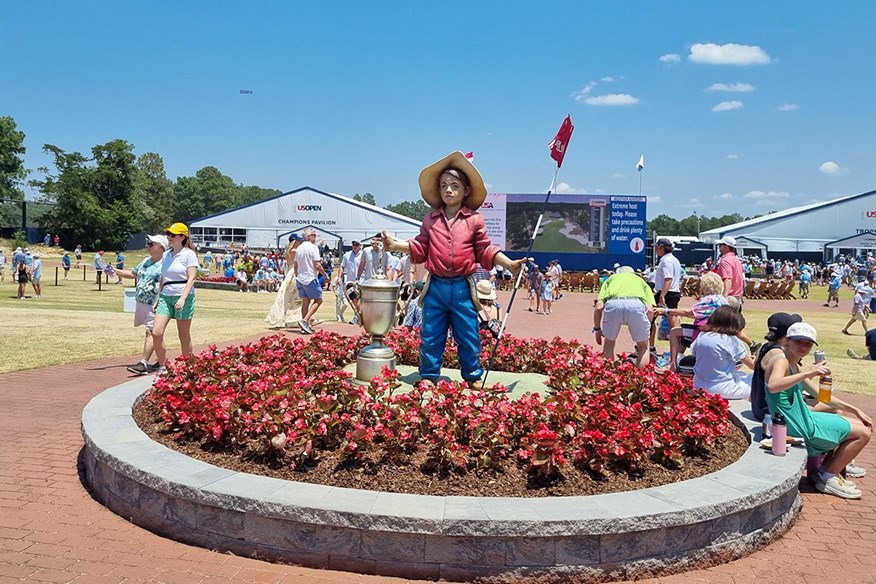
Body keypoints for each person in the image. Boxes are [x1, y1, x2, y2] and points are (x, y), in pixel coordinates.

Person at [382, 151, 525, 384]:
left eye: (455, 186)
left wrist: (509, 264)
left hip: (462, 288)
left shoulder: (474, 220)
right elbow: (421, 246)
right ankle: (428, 375)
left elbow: (485, 249)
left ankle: (472, 376)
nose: (448, 190)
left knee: (468, 333)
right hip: (435, 287)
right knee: (431, 334)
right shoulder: (430, 219)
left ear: (466, 191)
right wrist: (396, 244)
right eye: (444, 185)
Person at [764, 322, 872, 499]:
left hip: (802, 420)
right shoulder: (780, 361)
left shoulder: (793, 365)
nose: (804, 347)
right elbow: (773, 385)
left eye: (808, 343)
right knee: (863, 433)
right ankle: (828, 477)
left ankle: (824, 472)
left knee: (856, 423)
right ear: (787, 341)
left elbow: (822, 397)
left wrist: (855, 409)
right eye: (800, 342)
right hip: (795, 426)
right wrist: (809, 373)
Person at [654, 271, 728, 372]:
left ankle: (672, 364)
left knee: (674, 331)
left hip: (703, 332)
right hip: (719, 332)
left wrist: (666, 310)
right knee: (684, 333)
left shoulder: (707, 300)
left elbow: (688, 313)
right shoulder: (723, 300)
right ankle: (679, 359)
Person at [114, 235, 167, 375]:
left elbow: (166, 284)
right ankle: (162, 360)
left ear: (161, 247)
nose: (148, 246)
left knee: (152, 332)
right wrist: (115, 271)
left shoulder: (166, 264)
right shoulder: (146, 261)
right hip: (141, 301)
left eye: (151, 244)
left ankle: (143, 363)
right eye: (148, 243)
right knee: (154, 333)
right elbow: (133, 274)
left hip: (154, 303)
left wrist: (160, 300)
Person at [153, 223, 199, 373]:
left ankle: (189, 366)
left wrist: (183, 298)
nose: (169, 238)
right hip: (166, 295)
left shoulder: (189, 254)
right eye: (168, 235)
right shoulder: (166, 255)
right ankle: (162, 365)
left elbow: (192, 278)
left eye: (173, 235)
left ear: (182, 237)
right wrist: (158, 299)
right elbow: (163, 278)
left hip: (183, 294)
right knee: (156, 332)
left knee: (183, 335)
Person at [592, 266, 656, 368]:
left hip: (613, 304)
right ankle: (639, 378)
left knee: (609, 344)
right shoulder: (641, 281)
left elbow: (599, 307)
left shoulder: (611, 279)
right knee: (643, 346)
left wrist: (597, 329)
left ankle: (609, 375)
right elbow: (650, 309)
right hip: (636, 304)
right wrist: (645, 326)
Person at [690, 306, 755, 400]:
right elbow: (753, 366)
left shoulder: (702, 335)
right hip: (722, 389)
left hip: (698, 384)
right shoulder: (731, 340)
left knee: (741, 373)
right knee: (754, 380)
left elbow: (697, 355)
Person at [750, 312, 803, 421]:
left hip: (757, 407)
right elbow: (784, 383)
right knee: (832, 409)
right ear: (787, 336)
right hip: (771, 411)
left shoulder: (764, 347)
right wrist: (812, 372)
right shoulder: (779, 355)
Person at [650, 238, 684, 353]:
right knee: (672, 323)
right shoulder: (674, 260)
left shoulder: (666, 261)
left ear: (662, 248)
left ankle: (650, 346)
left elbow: (668, 279)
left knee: (650, 317)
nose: (655, 250)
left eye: (657, 247)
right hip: (673, 293)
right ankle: (678, 349)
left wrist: (662, 295)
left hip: (667, 293)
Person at [266, 234, 305, 329]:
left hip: (292, 272)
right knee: (296, 296)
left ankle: (294, 317)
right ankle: (295, 318)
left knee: (292, 297)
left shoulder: (289, 251)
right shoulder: (294, 251)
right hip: (294, 273)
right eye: (299, 240)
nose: (300, 242)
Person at [295, 229, 328, 334]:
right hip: (310, 277)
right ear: (308, 237)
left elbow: (296, 264)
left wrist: (297, 275)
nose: (315, 237)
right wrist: (325, 274)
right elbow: (317, 265)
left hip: (300, 278)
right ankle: (305, 321)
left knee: (305, 302)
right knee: (318, 300)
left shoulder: (299, 248)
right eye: (313, 235)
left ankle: (304, 326)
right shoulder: (313, 248)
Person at [337, 241, 362, 324]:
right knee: (353, 300)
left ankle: (358, 316)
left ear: (360, 246)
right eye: (353, 245)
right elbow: (342, 266)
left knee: (357, 299)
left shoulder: (363, 255)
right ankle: (358, 315)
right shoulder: (347, 255)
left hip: (361, 281)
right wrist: (339, 278)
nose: (355, 246)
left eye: (357, 245)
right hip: (350, 282)